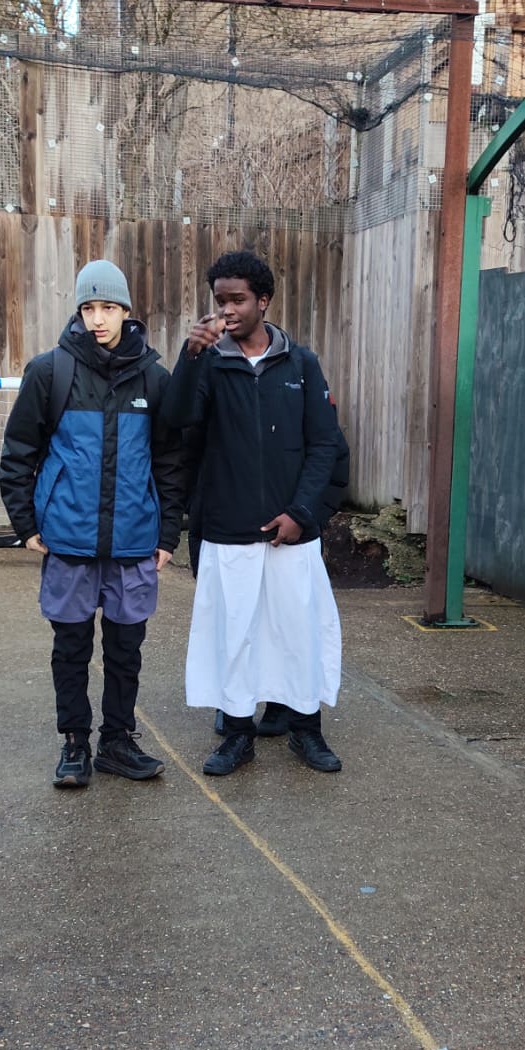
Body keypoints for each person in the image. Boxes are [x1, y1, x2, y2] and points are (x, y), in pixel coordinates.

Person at [0, 259, 183, 787]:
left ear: (126, 310)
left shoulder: (155, 378)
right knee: (71, 648)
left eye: (108, 307)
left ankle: (118, 741)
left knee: (126, 652)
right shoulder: (50, 372)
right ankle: (75, 742)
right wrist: (25, 524)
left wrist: (168, 533)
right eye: (88, 307)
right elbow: (19, 452)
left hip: (134, 542)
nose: (97, 318)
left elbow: (170, 463)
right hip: (69, 541)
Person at [165, 248, 343, 777]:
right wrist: (189, 357)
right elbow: (175, 420)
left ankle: (306, 729)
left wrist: (302, 512)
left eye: (238, 299)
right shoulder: (209, 362)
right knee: (234, 635)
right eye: (220, 300)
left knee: (298, 632)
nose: (227, 310)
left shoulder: (301, 364)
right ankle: (237, 733)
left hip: (292, 531)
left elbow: (324, 445)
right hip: (227, 528)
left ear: (263, 301)